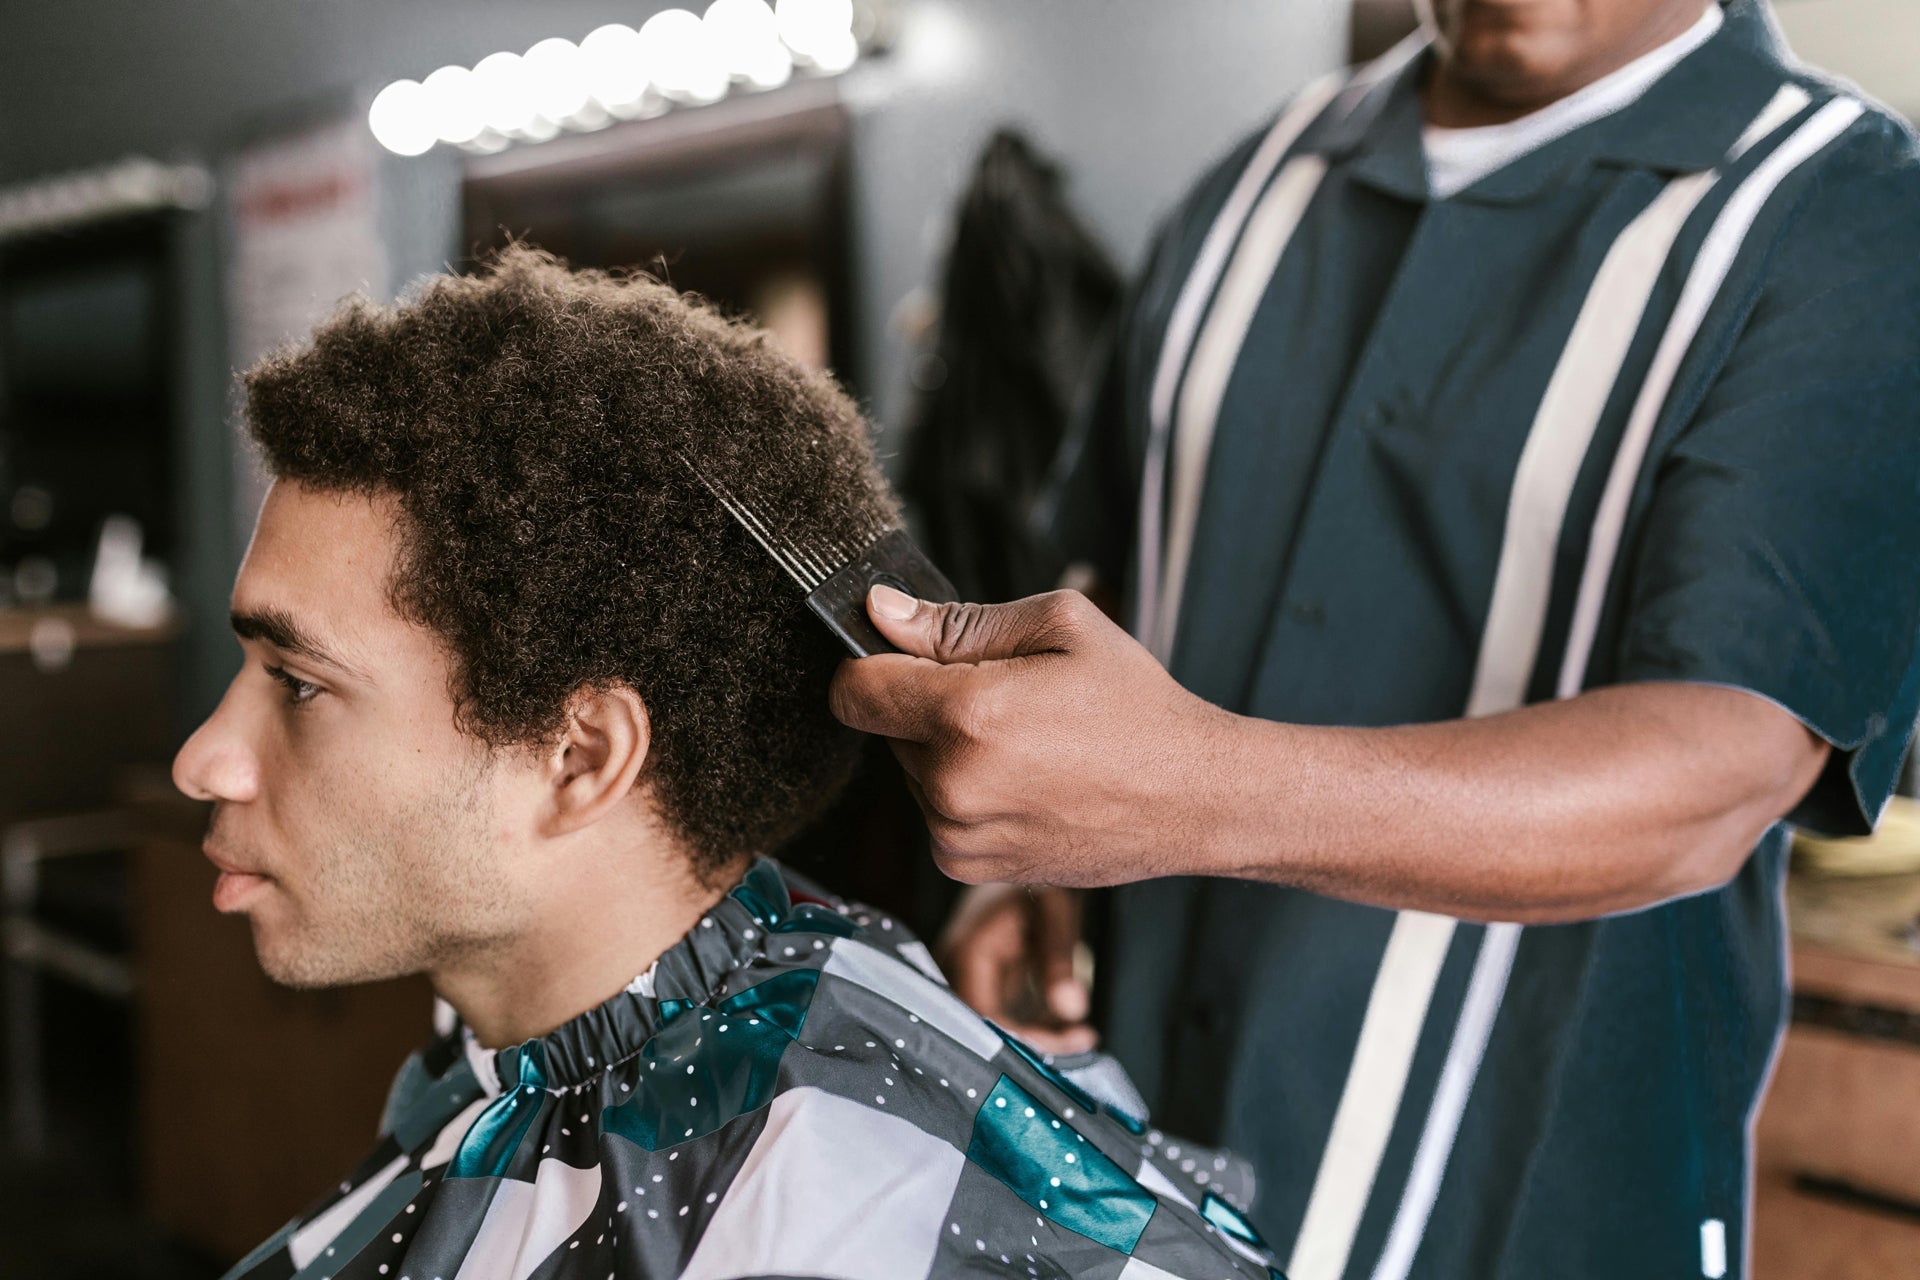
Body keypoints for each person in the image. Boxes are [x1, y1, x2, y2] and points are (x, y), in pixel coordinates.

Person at [829, 2, 1920, 1278]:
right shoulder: (1249, 184)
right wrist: (1036, 873)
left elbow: (1716, 772)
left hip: (1523, 1207)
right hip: (1137, 1169)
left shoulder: (1839, 213)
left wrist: (1187, 791)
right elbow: (1119, 565)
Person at [172, 249, 1273, 1280]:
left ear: (580, 758)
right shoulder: (495, 1053)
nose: (202, 760)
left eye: (298, 682)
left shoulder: (840, 1189)